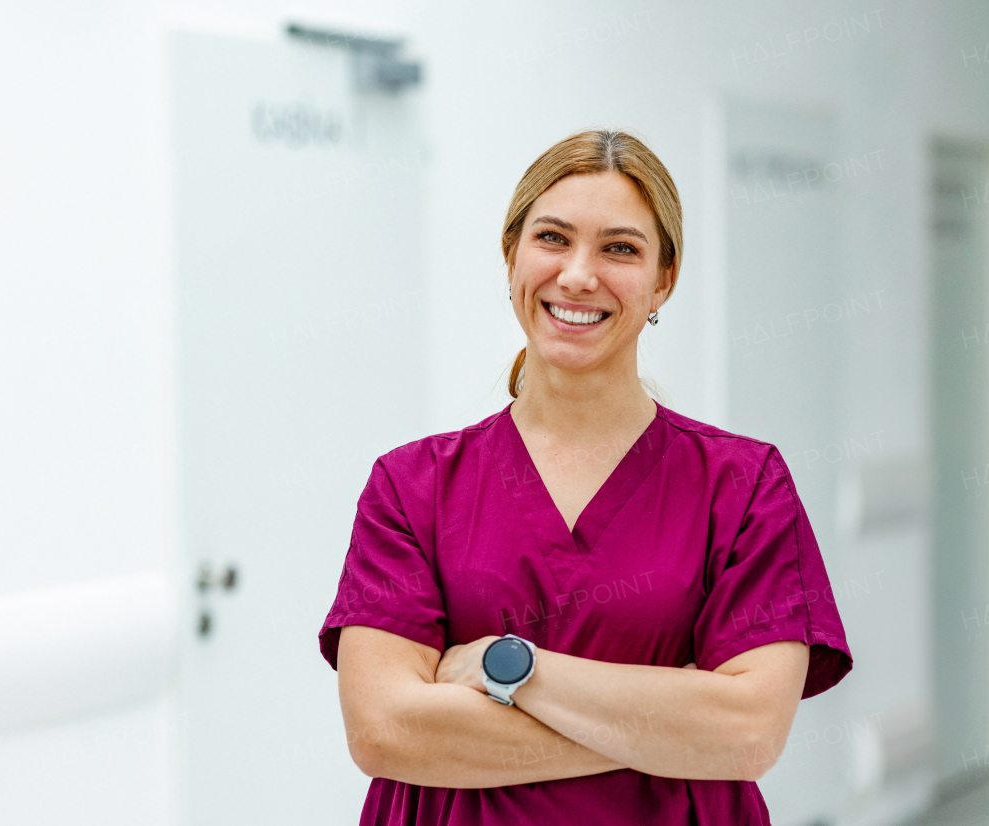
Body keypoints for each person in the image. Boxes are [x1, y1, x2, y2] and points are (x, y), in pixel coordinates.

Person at [317, 128, 852, 825]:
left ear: (664, 278)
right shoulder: (413, 487)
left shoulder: (742, 484)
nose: (577, 275)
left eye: (620, 248)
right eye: (552, 238)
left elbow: (747, 733)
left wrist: (506, 666)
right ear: (510, 255)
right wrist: (667, 725)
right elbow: (385, 730)